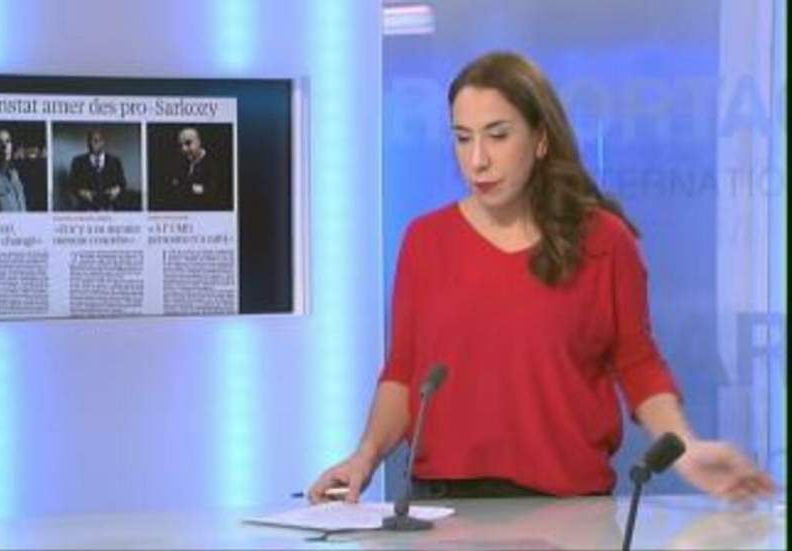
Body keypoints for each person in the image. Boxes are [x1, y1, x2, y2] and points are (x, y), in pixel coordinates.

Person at [309, 51, 775, 503]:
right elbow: (403, 373)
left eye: (497, 135)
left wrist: (686, 449)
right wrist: (365, 456)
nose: (477, 160)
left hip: (570, 509)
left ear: (540, 139)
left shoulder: (605, 241)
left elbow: (638, 363)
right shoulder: (425, 240)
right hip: (444, 507)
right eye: (463, 138)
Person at [163, 126, 223, 209]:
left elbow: (212, 191)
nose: (183, 149)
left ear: (199, 142)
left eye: (188, 143)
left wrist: (186, 188)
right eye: (180, 145)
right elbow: (173, 184)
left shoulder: (213, 163)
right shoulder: (180, 162)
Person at [68, 129, 128, 211]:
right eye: (89, 141)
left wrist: (116, 190)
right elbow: (71, 184)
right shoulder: (78, 161)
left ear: (102, 142)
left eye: (96, 141)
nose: (91, 144)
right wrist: (82, 192)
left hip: (110, 207)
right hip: (86, 208)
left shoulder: (115, 161)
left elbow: (122, 183)